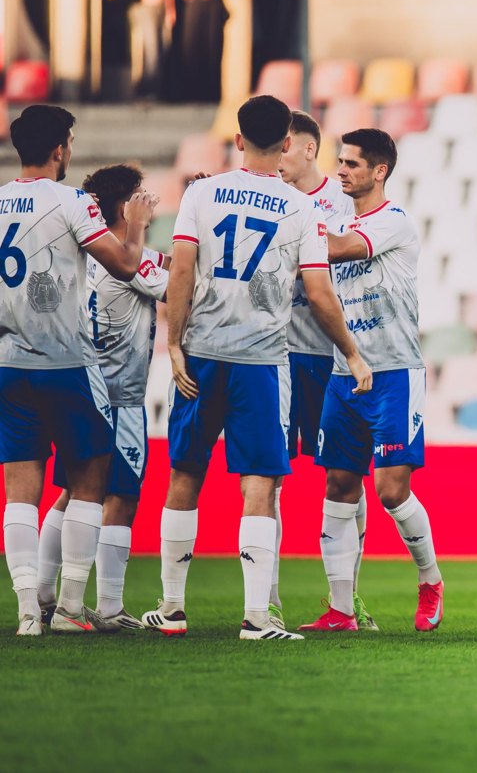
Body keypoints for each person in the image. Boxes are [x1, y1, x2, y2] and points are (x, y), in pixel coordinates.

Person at [141, 96, 372, 641]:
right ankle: (256, 618)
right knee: (260, 483)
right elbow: (319, 293)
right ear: (287, 143)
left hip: (201, 354)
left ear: (238, 139)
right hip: (263, 362)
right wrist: (352, 351)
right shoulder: (301, 209)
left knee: (185, 473)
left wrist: (174, 344)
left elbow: (181, 270)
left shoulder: (201, 192)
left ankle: (172, 608)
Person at [1, 105, 158, 636]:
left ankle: (28, 612)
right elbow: (126, 264)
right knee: (90, 481)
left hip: (9, 363)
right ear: (59, 148)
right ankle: (70, 608)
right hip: (67, 363)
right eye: (69, 141)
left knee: (20, 492)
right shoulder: (72, 202)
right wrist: (137, 226)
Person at [297, 129, 443, 634]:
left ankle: (430, 579)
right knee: (338, 484)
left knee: (390, 491)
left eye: (352, 163)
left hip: (395, 373)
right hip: (344, 372)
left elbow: (336, 249)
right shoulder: (335, 219)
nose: (341, 170)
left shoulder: (394, 221)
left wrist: (288, 234)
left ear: (379, 171)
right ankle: (341, 610)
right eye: (340, 161)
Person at [39, 165, 170, 631]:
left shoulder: (87, 252)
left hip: (81, 387)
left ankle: (43, 595)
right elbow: (184, 284)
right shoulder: (134, 261)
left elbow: (170, 263)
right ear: (123, 206)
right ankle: (109, 607)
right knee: (122, 496)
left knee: (70, 492)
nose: (149, 201)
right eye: (140, 195)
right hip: (121, 396)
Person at [271, 110, 378, 629]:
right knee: (266, 478)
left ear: (307, 148)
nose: (276, 158)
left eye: (283, 148)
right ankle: (266, 601)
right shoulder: (266, 197)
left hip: (331, 356)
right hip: (275, 355)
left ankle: (347, 599)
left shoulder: (344, 202)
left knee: (344, 477)